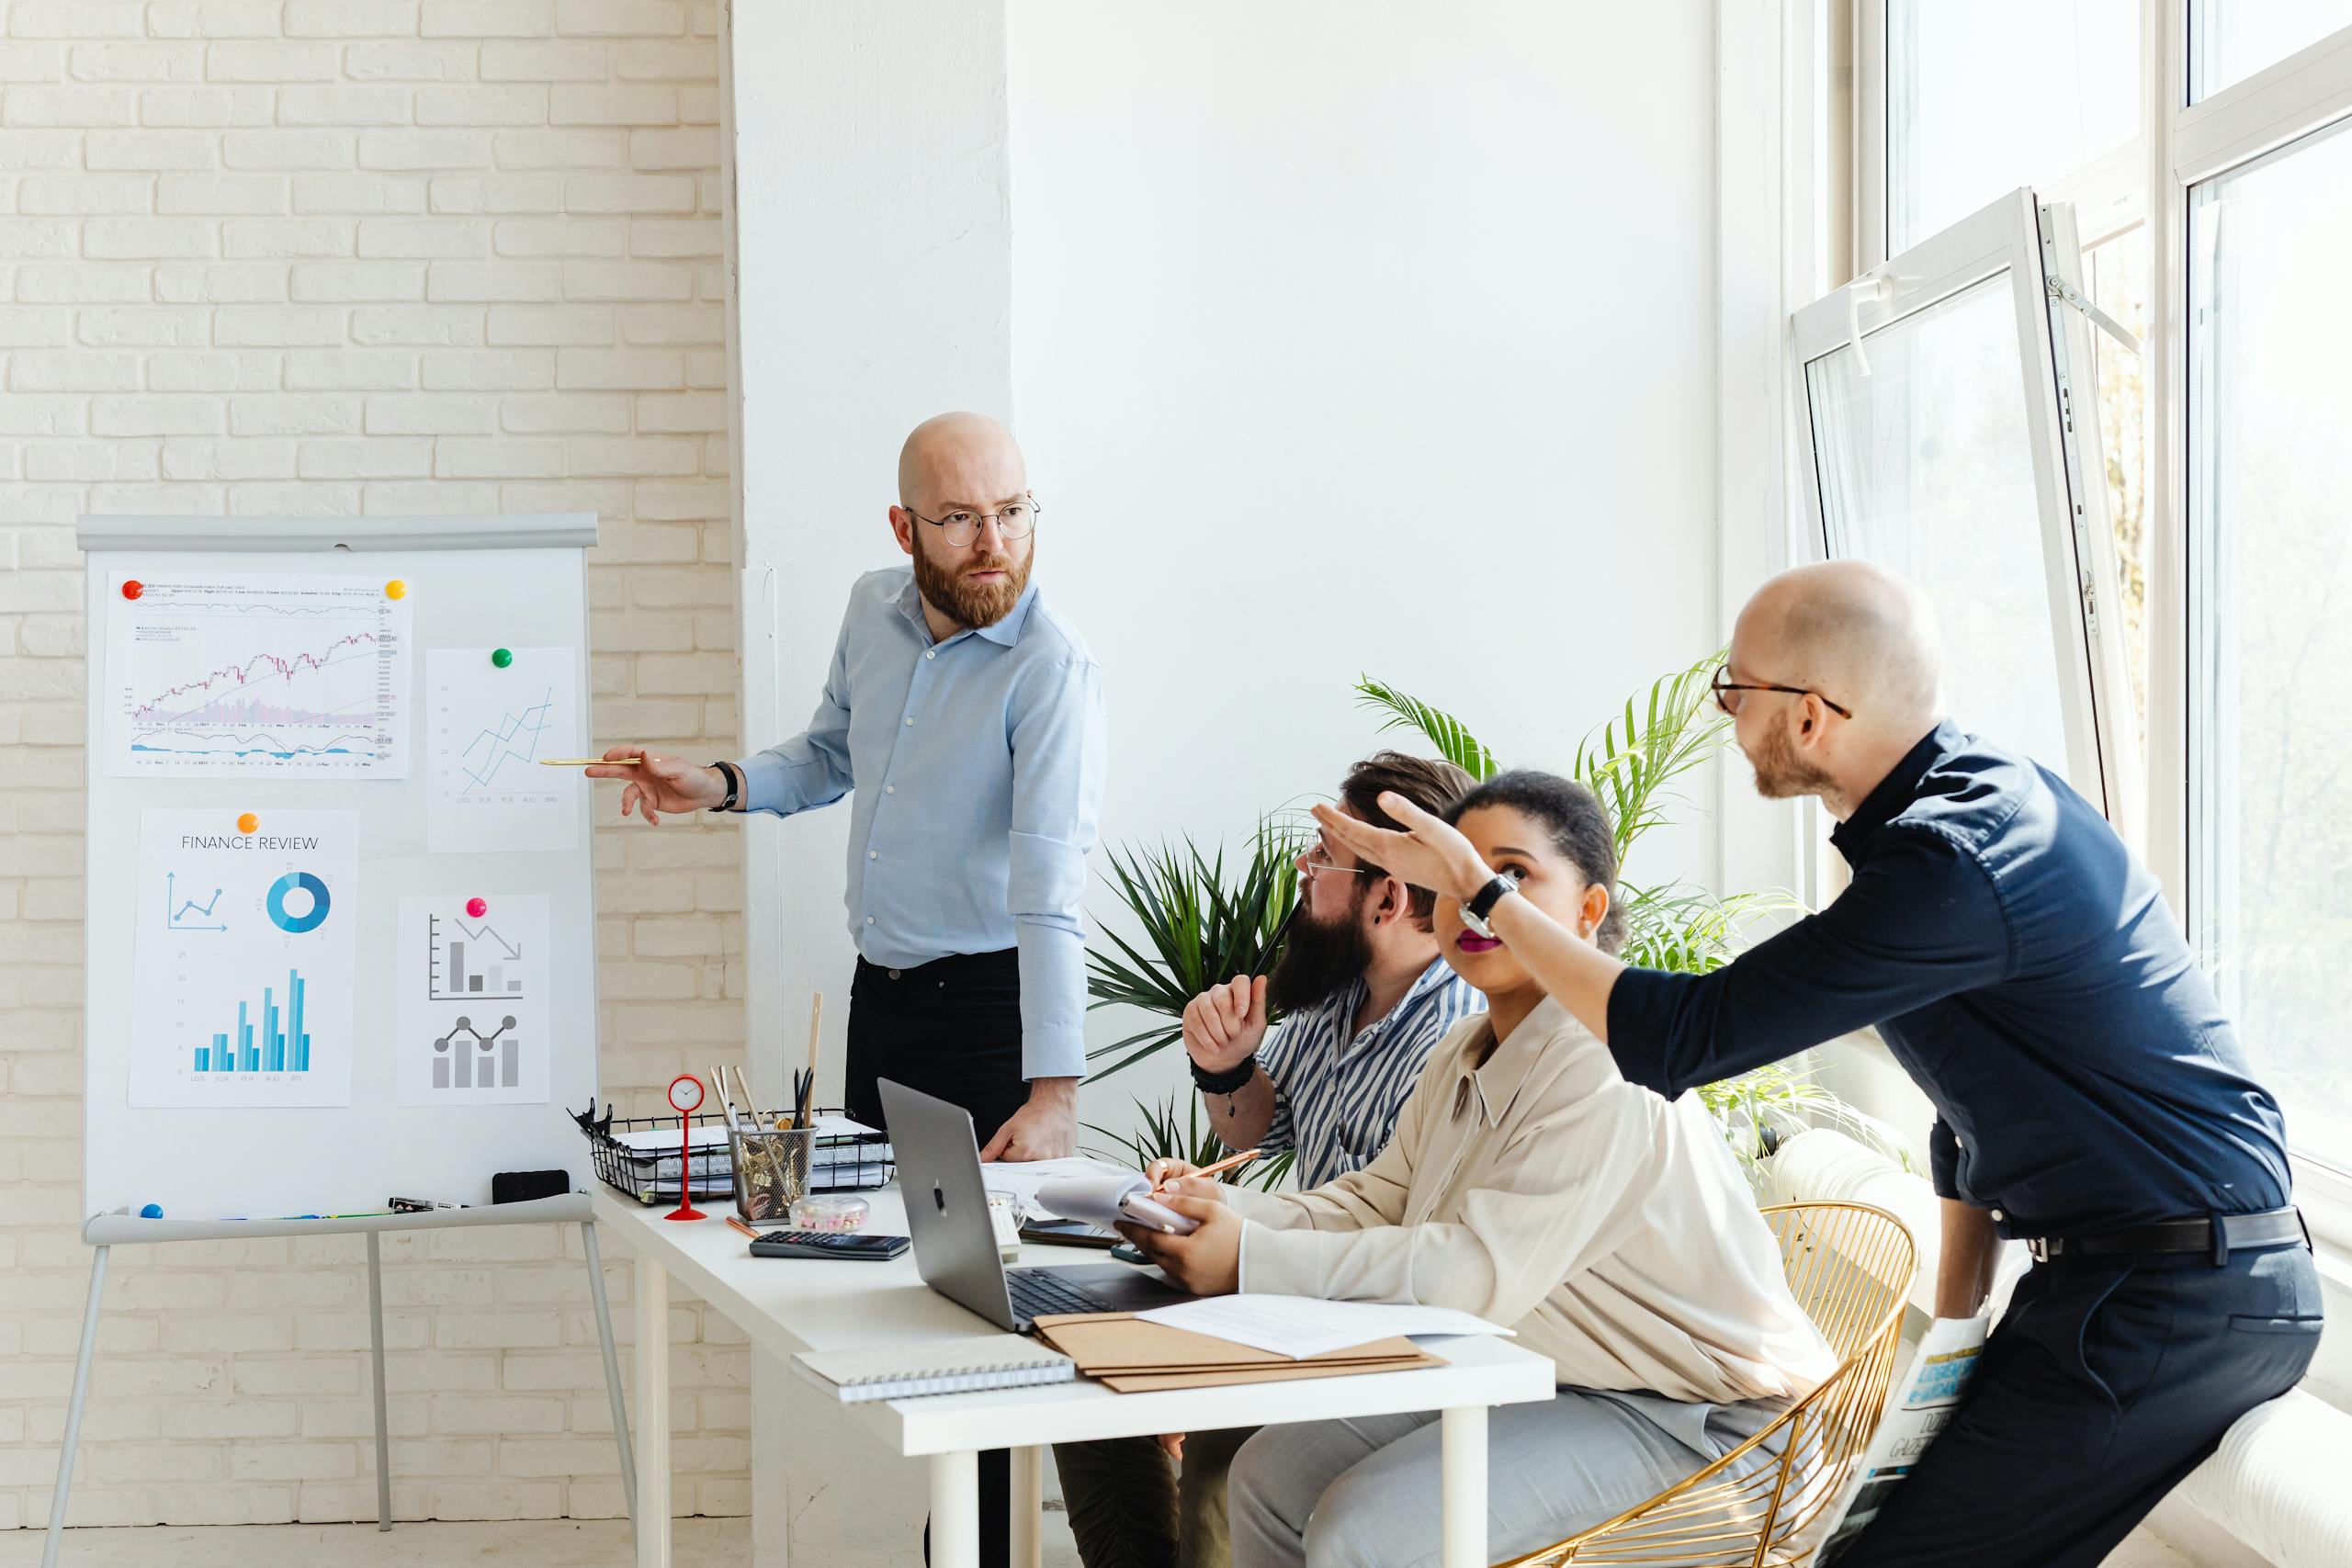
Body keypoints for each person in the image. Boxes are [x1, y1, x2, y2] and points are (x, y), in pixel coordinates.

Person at [1314, 560, 2322, 1568]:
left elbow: (1681, 1038)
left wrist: (1481, 892)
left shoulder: (1952, 856)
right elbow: (1965, 1105)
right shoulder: (1949, 825)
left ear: (1807, 717)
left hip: (2180, 1290)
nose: (1723, 713)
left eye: (1735, 690)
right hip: (2121, 1280)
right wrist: (1954, 1332)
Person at [589, 411, 1103, 1568]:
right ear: (904, 525)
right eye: (961, 518)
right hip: (883, 1003)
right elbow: (828, 755)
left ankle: (966, 1553)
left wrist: (1055, 1088)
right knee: (870, 1282)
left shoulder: (1050, 668)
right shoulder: (874, 610)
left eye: (1014, 513)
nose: (994, 545)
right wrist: (719, 780)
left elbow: (1050, 890)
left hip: (991, 1015)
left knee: (983, 1322)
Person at [1125, 771, 1834, 1568]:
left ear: (1588, 911)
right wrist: (1217, 1211)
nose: (1478, 900)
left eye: (1511, 875)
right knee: (1266, 1474)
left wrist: (1248, 1256)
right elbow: (1379, 1199)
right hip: (1552, 1376)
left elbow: (1471, 1272)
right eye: (1461, 878)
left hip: (1712, 1423)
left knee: (1360, 1532)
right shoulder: (1461, 1053)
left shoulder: (1607, 1063)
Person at [1053, 751, 1483, 1568]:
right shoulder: (1334, 1001)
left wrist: (1236, 1255)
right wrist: (1226, 1066)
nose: (1302, 868)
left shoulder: (1455, 1035)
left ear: (1388, 896)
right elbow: (1262, 1128)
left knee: (1220, 1452)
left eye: (1324, 856)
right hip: (1290, 1296)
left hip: (1375, 1328)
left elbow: (1409, 1245)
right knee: (1085, 1383)